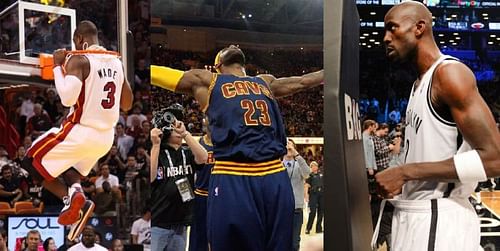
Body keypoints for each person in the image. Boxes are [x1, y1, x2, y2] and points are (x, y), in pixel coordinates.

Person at [151, 45, 323, 251]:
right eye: (226, 48)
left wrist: (332, 70)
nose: (233, 45)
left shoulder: (265, 81)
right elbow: (159, 74)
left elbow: (303, 81)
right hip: (234, 173)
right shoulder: (208, 80)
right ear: (218, 65)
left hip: (273, 173)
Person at [374, 2, 500, 250]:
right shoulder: (419, 83)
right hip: (417, 214)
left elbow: (495, 159)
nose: (386, 38)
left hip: (439, 218)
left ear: (419, 28)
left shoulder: (449, 74)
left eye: (392, 28)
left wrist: (405, 173)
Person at [21, 20, 133, 241]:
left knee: (29, 162)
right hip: (105, 139)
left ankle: (69, 199)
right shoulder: (116, 62)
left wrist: (57, 65)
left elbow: (67, 98)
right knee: (70, 169)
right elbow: (127, 104)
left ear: (79, 40)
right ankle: (77, 195)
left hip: (81, 131)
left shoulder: (79, 59)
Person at [150, 104, 208, 251]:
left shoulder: (187, 152)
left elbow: (203, 158)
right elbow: (150, 176)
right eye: (172, 125)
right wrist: (156, 145)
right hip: (159, 223)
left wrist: (185, 134)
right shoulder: (159, 152)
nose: (176, 127)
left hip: (181, 223)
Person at [188, 117, 214, 251]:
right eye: (206, 118)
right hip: (201, 194)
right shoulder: (199, 144)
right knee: (198, 234)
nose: (207, 121)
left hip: (219, 196)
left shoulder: (224, 143)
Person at [282, 139, 310, 251]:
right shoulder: (277, 165)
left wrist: (296, 154)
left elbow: (307, 173)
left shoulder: (299, 165)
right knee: (281, 241)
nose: (288, 148)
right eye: (286, 146)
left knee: (294, 243)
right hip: (281, 209)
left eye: (291, 146)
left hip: (296, 209)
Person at [304, 161, 323, 235]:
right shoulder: (309, 176)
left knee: (321, 212)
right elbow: (306, 185)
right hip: (313, 194)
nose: (314, 167)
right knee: (313, 212)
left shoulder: (321, 174)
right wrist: (306, 195)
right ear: (310, 167)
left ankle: (319, 228)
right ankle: (308, 228)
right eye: (312, 166)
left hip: (322, 194)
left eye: (315, 166)